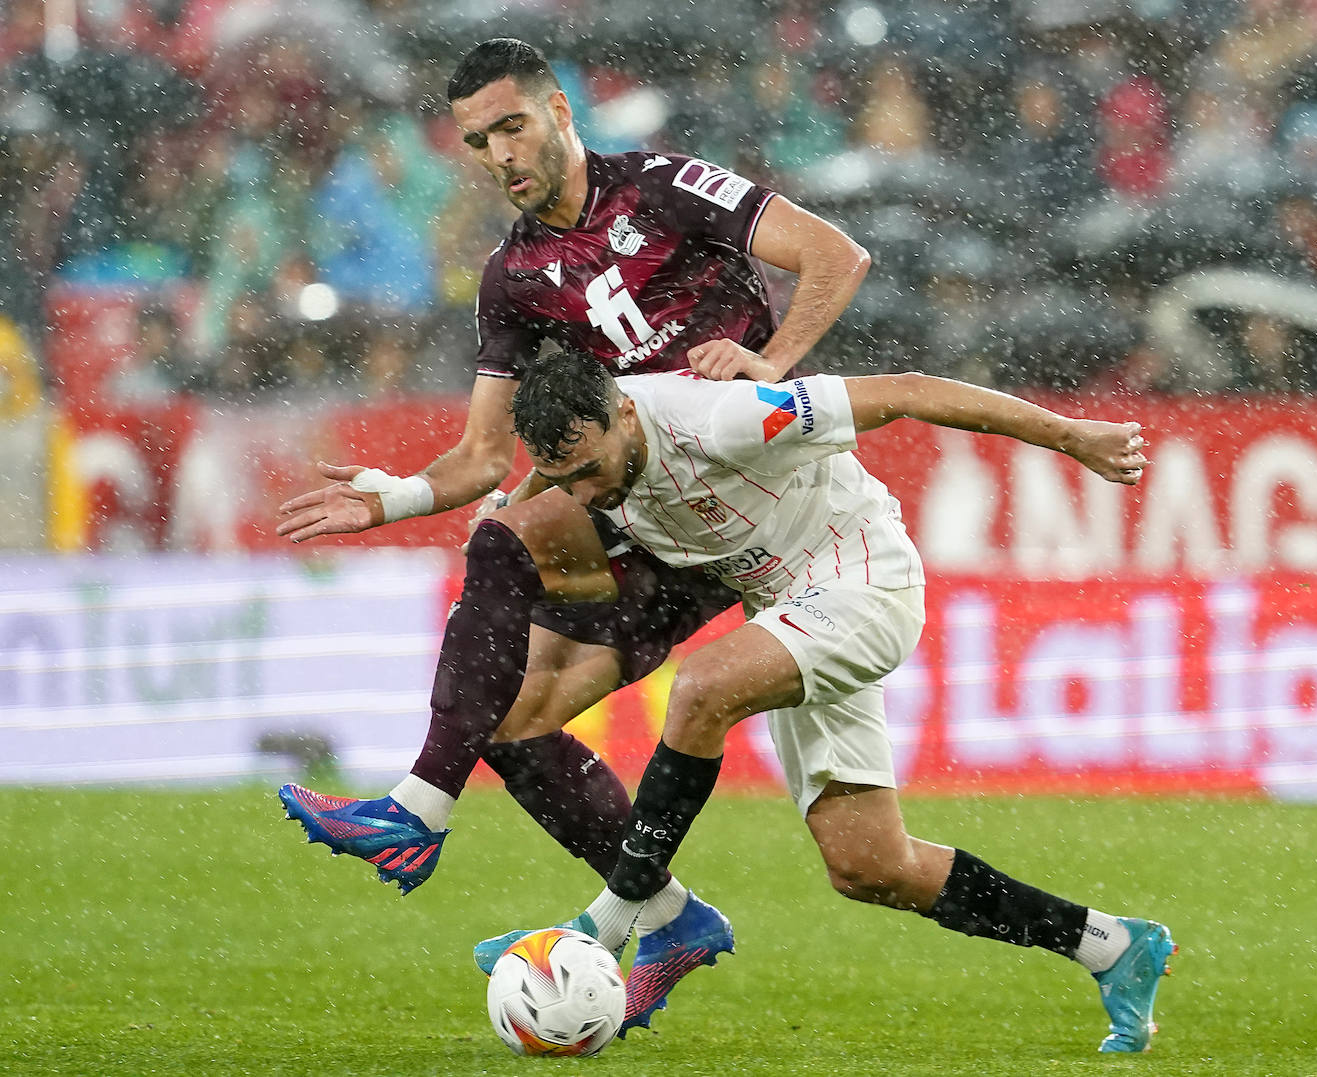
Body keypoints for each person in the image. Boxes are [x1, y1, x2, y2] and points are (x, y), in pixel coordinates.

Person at [273, 38, 871, 1032]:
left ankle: (419, 805)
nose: (500, 153)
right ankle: (673, 919)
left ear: (558, 108)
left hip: (752, 491)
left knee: (505, 537)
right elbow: (476, 459)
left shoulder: (666, 187)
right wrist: (390, 499)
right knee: (508, 721)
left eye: (512, 124)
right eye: (477, 141)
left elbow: (834, 256)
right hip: (660, 516)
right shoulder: (513, 277)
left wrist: (770, 364)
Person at [458, 349, 1172, 1053]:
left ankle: (606, 925)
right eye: (563, 478)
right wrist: (503, 512)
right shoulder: (587, 451)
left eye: (590, 471)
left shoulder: (721, 420)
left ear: (622, 412)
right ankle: (1111, 945)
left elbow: (909, 389)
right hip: (786, 611)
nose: (584, 494)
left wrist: (1073, 435)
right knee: (870, 865)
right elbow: (547, 480)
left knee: (702, 688)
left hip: (864, 582)